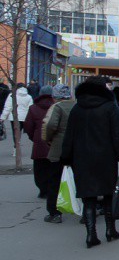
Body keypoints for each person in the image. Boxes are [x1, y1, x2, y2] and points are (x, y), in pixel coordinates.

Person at [61, 76, 119, 248]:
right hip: (105, 157)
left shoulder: (77, 108)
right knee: (108, 194)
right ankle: (110, 230)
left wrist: (66, 157)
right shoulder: (109, 107)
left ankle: (91, 235)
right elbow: (118, 134)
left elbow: (69, 135)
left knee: (88, 197)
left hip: (81, 158)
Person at [41, 84, 74, 223]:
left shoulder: (57, 107)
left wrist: (47, 139)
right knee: (76, 179)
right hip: (75, 148)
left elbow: (49, 125)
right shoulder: (76, 106)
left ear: (55, 97)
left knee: (54, 180)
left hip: (58, 148)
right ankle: (83, 210)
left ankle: (54, 212)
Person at [23, 86, 54, 199]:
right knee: (53, 168)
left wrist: (34, 138)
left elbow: (28, 126)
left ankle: (43, 190)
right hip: (54, 144)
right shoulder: (56, 107)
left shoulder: (33, 108)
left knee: (40, 169)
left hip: (39, 144)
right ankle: (52, 190)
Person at [1, 83, 33, 154]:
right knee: (19, 132)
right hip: (24, 117)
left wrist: (2, 117)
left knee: (15, 132)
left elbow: (8, 107)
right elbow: (30, 108)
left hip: (14, 117)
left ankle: (16, 148)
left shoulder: (12, 96)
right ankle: (17, 147)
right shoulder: (29, 97)